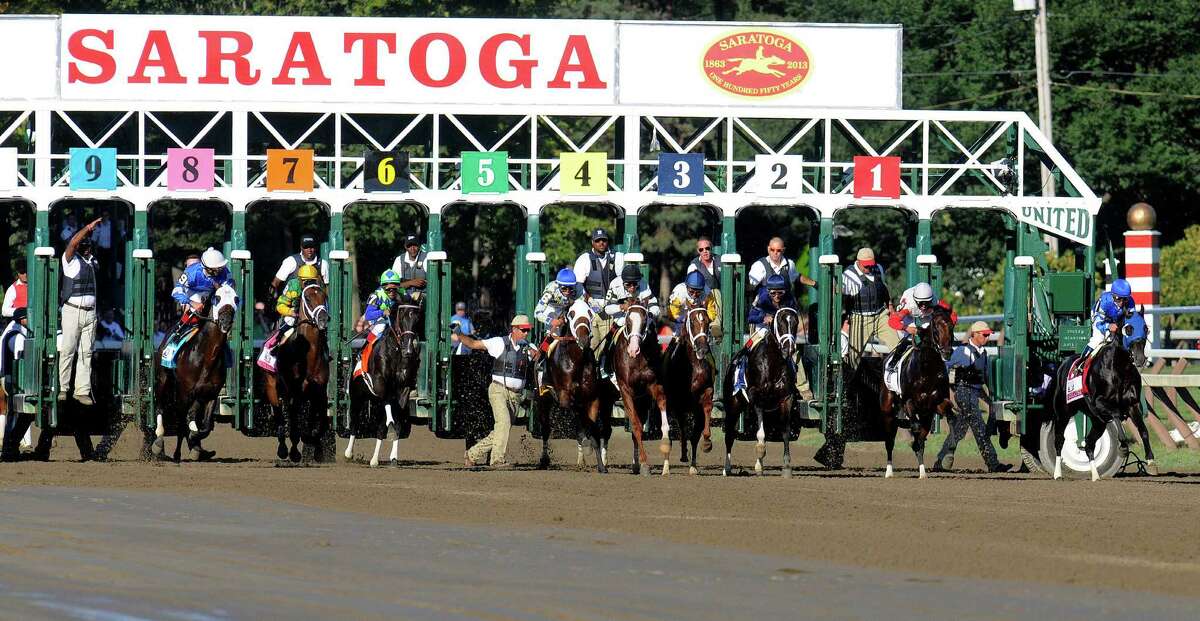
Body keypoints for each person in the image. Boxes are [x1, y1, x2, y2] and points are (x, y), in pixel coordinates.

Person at [455, 314, 539, 469]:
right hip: (498, 390)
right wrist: (459, 334)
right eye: (524, 330)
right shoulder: (499, 343)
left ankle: (472, 454)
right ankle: (497, 460)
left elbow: (541, 356)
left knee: (501, 429)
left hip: (516, 395)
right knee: (504, 423)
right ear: (514, 329)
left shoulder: (529, 347)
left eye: (528, 330)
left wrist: (538, 353)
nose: (527, 333)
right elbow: (473, 344)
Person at [935, 321, 1012, 473]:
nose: (987, 338)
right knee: (980, 429)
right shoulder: (963, 351)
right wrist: (950, 386)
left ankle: (942, 460)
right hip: (964, 393)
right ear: (975, 334)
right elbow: (945, 366)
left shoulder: (982, 354)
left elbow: (979, 381)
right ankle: (993, 464)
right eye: (984, 335)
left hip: (973, 394)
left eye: (988, 335)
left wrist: (988, 399)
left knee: (959, 429)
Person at [734, 274, 813, 400]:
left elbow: (792, 317)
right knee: (747, 349)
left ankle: (804, 389)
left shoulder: (790, 299)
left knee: (794, 353)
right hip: (763, 329)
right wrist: (763, 317)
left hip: (782, 332)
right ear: (768, 291)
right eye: (773, 293)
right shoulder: (762, 297)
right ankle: (740, 382)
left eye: (780, 293)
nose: (777, 296)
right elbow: (750, 317)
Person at [59, 218, 103, 405]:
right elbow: (72, 243)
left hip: (90, 313)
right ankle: (63, 388)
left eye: (89, 246)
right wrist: (86, 228)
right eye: (84, 245)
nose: (87, 248)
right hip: (72, 311)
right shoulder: (69, 260)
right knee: (68, 350)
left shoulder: (92, 262)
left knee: (86, 353)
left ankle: (82, 390)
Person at [167, 247, 236, 349]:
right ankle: (176, 336)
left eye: (221, 267)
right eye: (217, 268)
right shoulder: (192, 272)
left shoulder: (224, 271)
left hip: (212, 293)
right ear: (206, 267)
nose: (221, 270)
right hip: (192, 293)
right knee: (192, 311)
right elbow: (176, 291)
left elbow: (229, 288)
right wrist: (192, 302)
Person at [841, 247, 897, 367]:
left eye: (870, 264)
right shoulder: (848, 275)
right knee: (853, 357)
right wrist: (845, 322)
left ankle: (894, 374)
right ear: (858, 261)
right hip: (860, 318)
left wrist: (891, 306)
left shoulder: (878, 268)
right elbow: (842, 299)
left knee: (898, 345)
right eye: (866, 265)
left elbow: (884, 288)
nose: (869, 268)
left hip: (880, 315)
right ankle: (849, 381)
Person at [885, 282, 955, 374]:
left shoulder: (935, 301)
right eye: (921, 303)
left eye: (926, 302)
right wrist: (907, 328)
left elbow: (953, 314)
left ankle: (939, 362)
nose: (924, 306)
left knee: (932, 337)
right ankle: (894, 363)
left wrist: (949, 328)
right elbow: (892, 321)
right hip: (909, 315)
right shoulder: (909, 305)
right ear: (915, 300)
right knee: (907, 338)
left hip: (926, 315)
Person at [573, 228, 623, 352]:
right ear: (592, 242)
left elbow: (622, 283)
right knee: (593, 343)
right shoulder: (585, 259)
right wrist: (589, 300)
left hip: (611, 308)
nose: (601, 243)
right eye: (598, 240)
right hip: (591, 308)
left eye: (604, 240)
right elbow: (578, 286)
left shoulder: (617, 257)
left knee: (610, 344)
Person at [0, 307, 32, 456]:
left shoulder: (12, 332)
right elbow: (20, 358)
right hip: (13, 378)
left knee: (14, 413)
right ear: (22, 319)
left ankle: (9, 446)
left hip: (9, 376)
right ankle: (8, 447)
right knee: (14, 414)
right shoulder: (18, 336)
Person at [534, 268, 586, 350]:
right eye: (564, 288)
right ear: (558, 285)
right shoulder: (551, 289)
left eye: (570, 288)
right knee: (551, 336)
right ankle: (542, 356)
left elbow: (583, 305)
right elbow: (537, 312)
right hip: (552, 309)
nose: (567, 291)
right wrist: (551, 321)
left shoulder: (579, 288)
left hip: (568, 309)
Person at [747, 236, 816, 297]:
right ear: (768, 249)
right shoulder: (759, 265)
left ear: (783, 250)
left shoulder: (789, 264)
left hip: (785, 303)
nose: (775, 253)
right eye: (772, 250)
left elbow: (797, 277)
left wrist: (814, 284)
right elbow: (751, 286)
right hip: (765, 304)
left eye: (778, 250)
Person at [1084, 278, 1135, 356]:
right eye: (1118, 298)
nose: (1121, 302)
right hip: (1100, 319)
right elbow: (1097, 320)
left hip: (1118, 321)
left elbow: (1132, 319)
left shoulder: (1130, 302)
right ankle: (1081, 363)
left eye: (1125, 299)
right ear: (1113, 295)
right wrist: (1108, 326)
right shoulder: (1105, 301)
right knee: (1098, 339)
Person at [665, 270, 720, 342]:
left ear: (702, 289)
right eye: (691, 292)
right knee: (677, 336)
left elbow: (711, 312)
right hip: (682, 318)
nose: (694, 295)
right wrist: (684, 321)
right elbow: (672, 313)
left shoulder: (707, 293)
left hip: (699, 319)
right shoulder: (679, 293)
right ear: (686, 287)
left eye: (698, 292)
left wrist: (705, 320)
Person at [391, 235, 428, 300]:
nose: (412, 248)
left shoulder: (426, 258)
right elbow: (393, 286)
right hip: (404, 296)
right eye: (409, 246)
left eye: (415, 245)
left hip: (424, 296)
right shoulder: (399, 260)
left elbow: (433, 282)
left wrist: (424, 282)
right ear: (405, 247)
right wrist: (411, 283)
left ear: (419, 245)